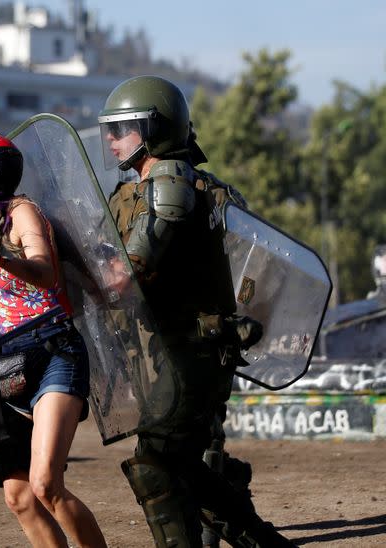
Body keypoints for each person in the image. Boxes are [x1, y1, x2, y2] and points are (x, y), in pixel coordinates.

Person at [97, 75, 296, 547]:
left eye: (121, 127)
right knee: (182, 464)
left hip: (192, 351)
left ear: (154, 130)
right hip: (156, 353)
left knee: (161, 465)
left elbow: (257, 273)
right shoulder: (127, 195)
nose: (110, 138)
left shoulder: (185, 191)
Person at [0, 130, 107, 548]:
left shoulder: (22, 213)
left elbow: (45, 273)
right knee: (18, 497)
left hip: (53, 349)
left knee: (46, 484)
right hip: (6, 361)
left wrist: (0, 254)